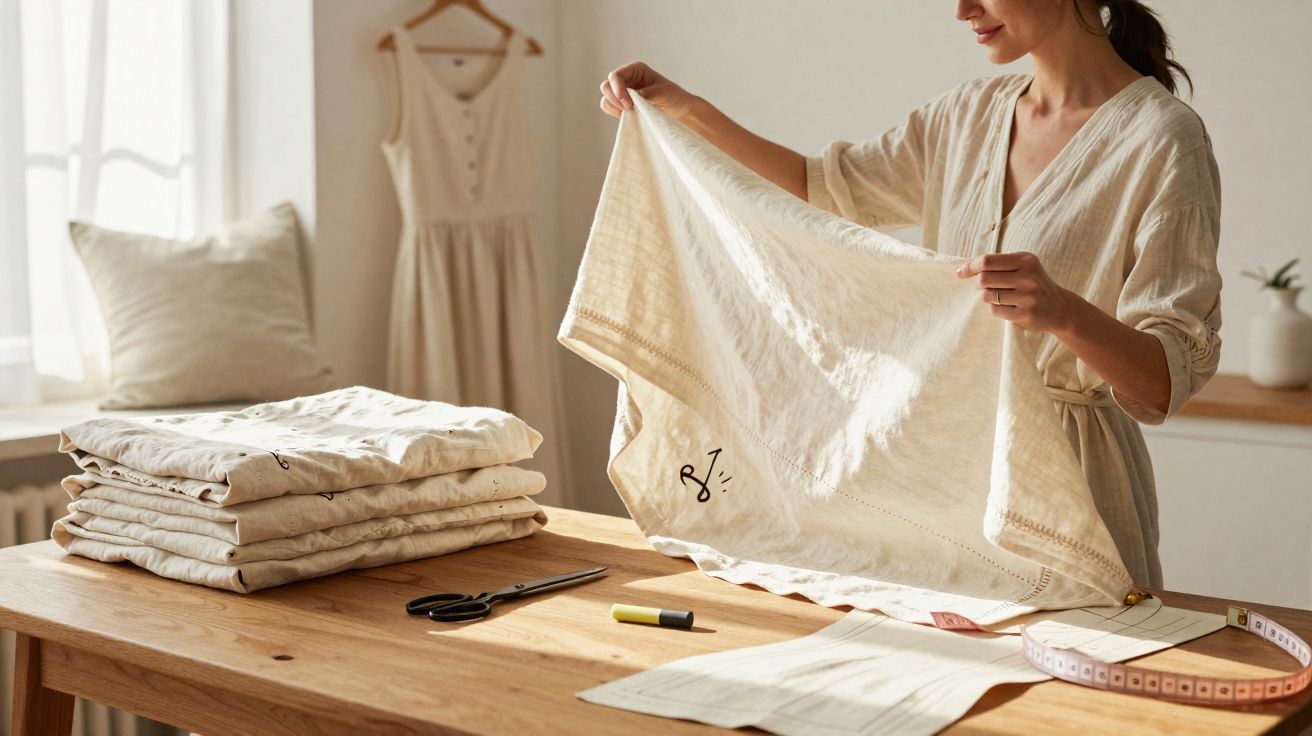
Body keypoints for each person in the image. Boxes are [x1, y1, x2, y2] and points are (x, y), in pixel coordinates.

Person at [596, 0, 1223, 589]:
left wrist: (1065, 313)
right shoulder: (966, 117)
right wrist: (684, 109)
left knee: (1079, 664)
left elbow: (1164, 382)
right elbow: (821, 188)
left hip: (1075, 485)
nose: (962, 10)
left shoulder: (1164, 139)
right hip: (948, 479)